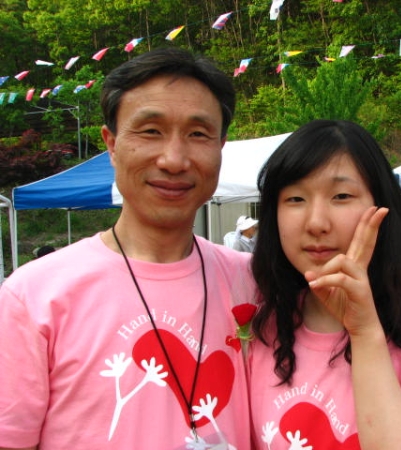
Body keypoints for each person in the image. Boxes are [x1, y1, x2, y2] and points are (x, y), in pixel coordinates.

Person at [0, 47, 256, 450]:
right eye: (151, 131)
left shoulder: (255, 283)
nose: (174, 160)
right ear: (112, 144)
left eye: (198, 134)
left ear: (220, 146)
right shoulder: (34, 295)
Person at [248, 120, 401, 449]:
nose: (316, 223)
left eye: (341, 196)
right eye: (295, 199)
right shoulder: (260, 325)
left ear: (382, 205)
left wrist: (364, 333)